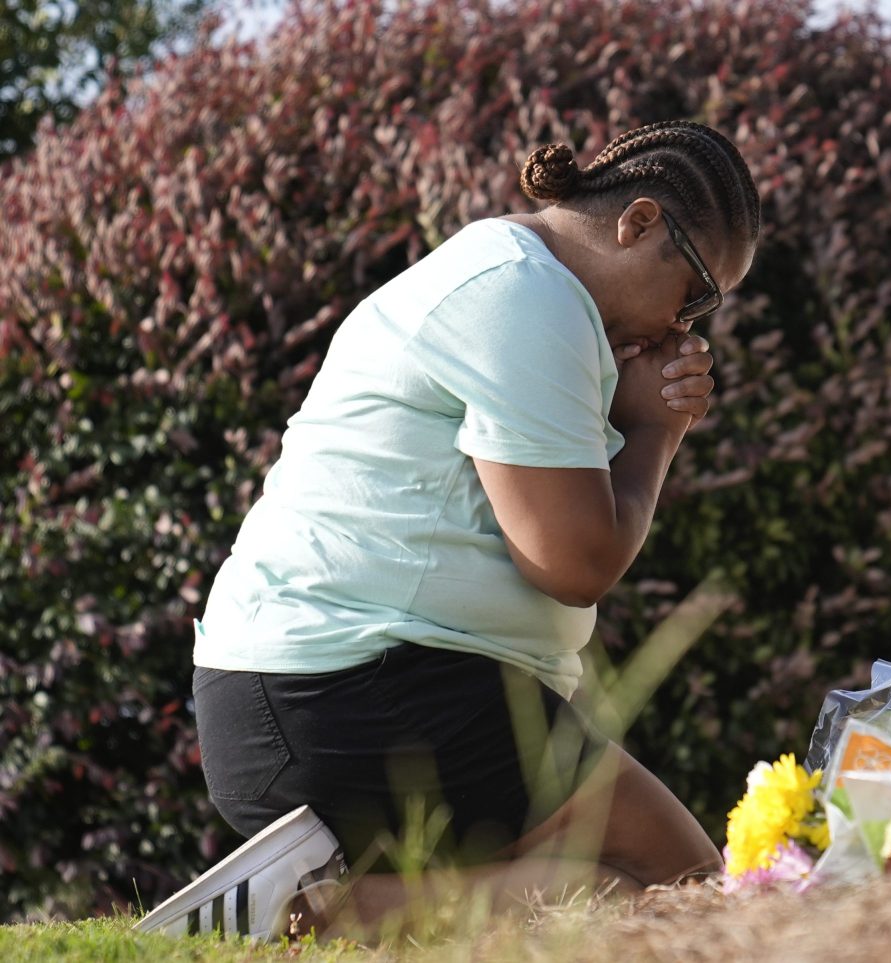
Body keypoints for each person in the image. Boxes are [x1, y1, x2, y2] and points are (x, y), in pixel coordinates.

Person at [134, 119, 761, 941]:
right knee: (682, 883)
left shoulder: (508, 281)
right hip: (354, 688)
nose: (686, 328)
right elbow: (573, 563)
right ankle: (306, 919)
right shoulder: (527, 296)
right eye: (697, 292)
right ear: (638, 223)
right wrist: (656, 434)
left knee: (612, 894)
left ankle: (306, 912)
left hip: (305, 696)